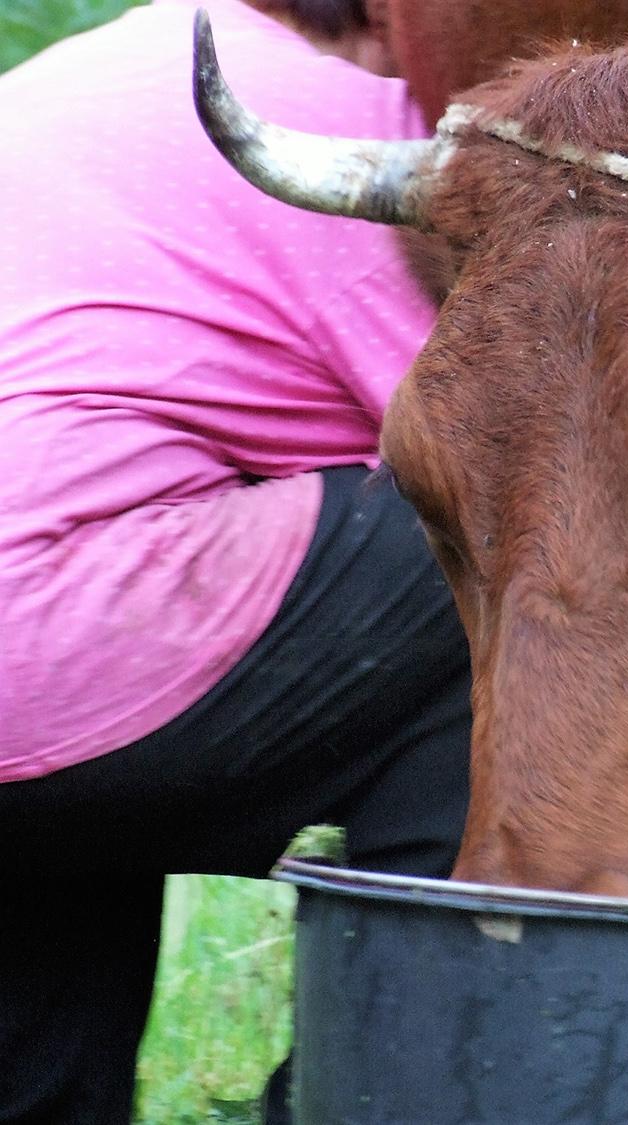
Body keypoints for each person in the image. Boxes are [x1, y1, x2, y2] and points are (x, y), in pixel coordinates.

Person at [0, 2, 471, 1121]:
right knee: (517, 569)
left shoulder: (105, 68)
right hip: (51, 637)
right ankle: (384, 1089)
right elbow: (495, 459)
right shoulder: (349, 135)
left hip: (43, 641)